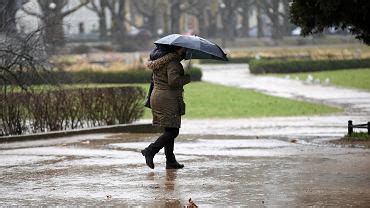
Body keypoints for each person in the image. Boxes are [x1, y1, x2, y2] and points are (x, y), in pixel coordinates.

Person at [141, 44, 191, 169]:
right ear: (178, 49)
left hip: (158, 96)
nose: (185, 52)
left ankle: (170, 161)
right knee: (174, 131)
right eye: (184, 49)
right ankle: (150, 150)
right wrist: (186, 78)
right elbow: (173, 82)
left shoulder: (160, 61)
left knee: (169, 129)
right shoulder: (173, 63)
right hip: (167, 99)